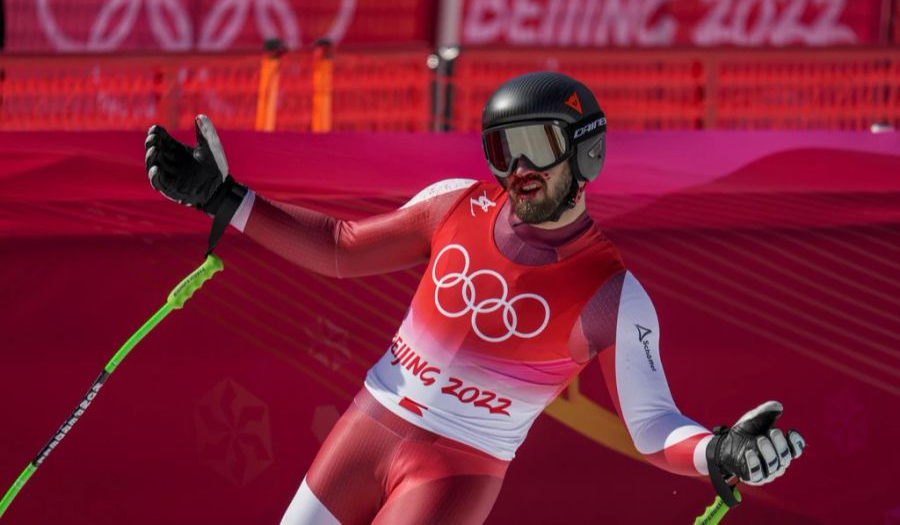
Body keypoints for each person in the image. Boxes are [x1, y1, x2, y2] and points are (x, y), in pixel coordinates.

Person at [144, 71, 806, 524]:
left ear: (586, 152)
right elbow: (345, 247)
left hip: (454, 469)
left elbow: (655, 428)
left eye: (537, 146)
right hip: (366, 428)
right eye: (502, 147)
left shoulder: (611, 293)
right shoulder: (455, 203)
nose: (517, 168)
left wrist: (720, 452)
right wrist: (223, 198)